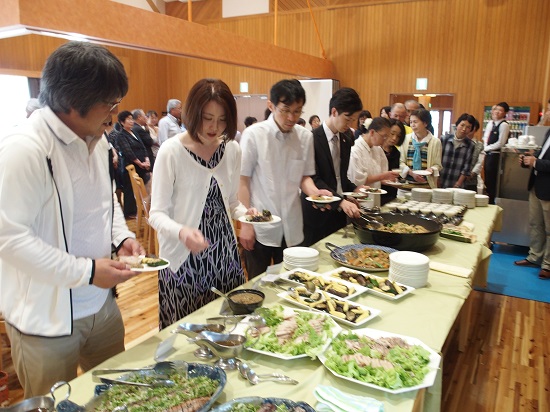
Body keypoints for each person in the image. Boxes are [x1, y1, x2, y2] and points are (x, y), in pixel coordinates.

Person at [0, 41, 144, 398]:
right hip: (46, 322)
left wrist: (121, 237)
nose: (115, 114)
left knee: (117, 397)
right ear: (71, 102)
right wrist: (88, 272)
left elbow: (104, 202)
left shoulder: (96, 138)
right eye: (109, 104)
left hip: (101, 307)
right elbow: (9, 239)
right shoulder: (25, 149)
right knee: (53, 405)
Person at [150, 78, 252, 328]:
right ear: (193, 113)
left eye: (222, 120)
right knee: (186, 333)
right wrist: (182, 232)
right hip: (183, 258)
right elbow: (156, 214)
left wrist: (247, 214)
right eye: (207, 118)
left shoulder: (232, 150)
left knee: (228, 326)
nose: (214, 127)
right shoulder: (171, 151)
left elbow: (231, 203)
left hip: (224, 254)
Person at [239, 79, 332, 278]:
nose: (291, 117)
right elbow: (242, 182)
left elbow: (304, 177)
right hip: (261, 227)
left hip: (293, 225)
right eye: (285, 110)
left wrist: (316, 194)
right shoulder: (254, 135)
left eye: (297, 111)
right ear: (271, 105)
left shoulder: (305, 137)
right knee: (257, 284)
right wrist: (245, 224)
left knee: (291, 282)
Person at [301, 88, 363, 246]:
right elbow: (314, 178)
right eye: (347, 119)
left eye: (353, 121)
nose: (349, 125)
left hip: (338, 213)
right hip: (316, 213)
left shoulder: (347, 138)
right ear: (334, 112)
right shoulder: (312, 138)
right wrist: (340, 201)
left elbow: (340, 176)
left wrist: (355, 190)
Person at [514, 127, 550, 279]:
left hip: (548, 188)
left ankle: (547, 264)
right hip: (537, 185)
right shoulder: (548, 132)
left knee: (549, 229)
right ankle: (534, 257)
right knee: (536, 223)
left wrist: (536, 162)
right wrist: (531, 157)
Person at [348, 117, 400, 191]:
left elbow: (382, 173)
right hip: (361, 197)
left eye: (387, 136)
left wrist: (388, 180)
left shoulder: (378, 149)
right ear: (372, 132)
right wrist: (383, 176)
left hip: (376, 195)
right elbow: (357, 180)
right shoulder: (355, 149)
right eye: (384, 136)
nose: (385, 139)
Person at [116, 110, 151, 217]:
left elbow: (143, 147)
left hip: (143, 164)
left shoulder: (134, 132)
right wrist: (140, 163)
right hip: (131, 165)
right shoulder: (121, 135)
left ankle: (145, 207)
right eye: (128, 119)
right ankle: (130, 212)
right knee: (130, 190)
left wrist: (147, 159)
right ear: (122, 122)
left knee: (146, 187)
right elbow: (128, 152)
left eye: (132, 119)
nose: (131, 121)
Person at [399, 108, 442, 188]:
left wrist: (431, 169)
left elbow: (438, 164)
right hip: (406, 185)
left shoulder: (435, 142)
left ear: (425, 123)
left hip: (426, 186)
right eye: (411, 122)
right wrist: (412, 173)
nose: (412, 125)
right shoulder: (406, 139)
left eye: (415, 122)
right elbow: (401, 162)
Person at [483, 101, 510, 204]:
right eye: (496, 109)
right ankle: (488, 199)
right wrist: (485, 146)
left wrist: (487, 148)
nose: (497, 112)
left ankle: (492, 202)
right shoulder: (491, 123)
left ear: (505, 113)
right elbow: (486, 137)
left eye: (500, 110)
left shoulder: (504, 125)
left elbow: (501, 143)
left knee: (493, 181)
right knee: (487, 180)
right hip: (488, 154)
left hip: (495, 155)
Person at [439, 113, 476, 189]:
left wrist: (458, 184)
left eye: (468, 127)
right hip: (441, 179)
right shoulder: (444, 139)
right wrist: (437, 179)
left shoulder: (470, 145)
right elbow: (437, 160)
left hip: (457, 183)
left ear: (471, 130)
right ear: (457, 125)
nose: (464, 129)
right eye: (462, 125)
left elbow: (467, 167)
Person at [381, 118, 406, 203]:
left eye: (398, 136)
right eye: (392, 134)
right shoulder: (376, 149)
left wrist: (400, 180)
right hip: (376, 193)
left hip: (391, 195)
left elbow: (395, 174)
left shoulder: (396, 153)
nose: (394, 138)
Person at [464, 117, 484, 192]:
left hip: (471, 180)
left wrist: (472, 173)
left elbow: (480, 162)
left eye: (469, 127)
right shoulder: (461, 142)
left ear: (475, 128)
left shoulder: (479, 145)